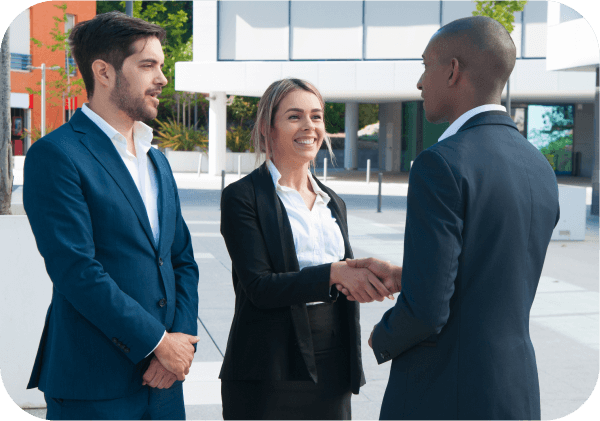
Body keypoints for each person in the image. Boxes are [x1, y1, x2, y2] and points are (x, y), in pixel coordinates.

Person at [340, 16, 560, 420]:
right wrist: (408, 274)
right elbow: (494, 273)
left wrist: (383, 336)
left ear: (453, 70)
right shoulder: (539, 166)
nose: (420, 83)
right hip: (515, 390)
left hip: (445, 392)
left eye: (426, 66)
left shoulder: (440, 164)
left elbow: (426, 311)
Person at [23, 11, 199, 420]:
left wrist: (180, 344)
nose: (162, 79)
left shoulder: (158, 161)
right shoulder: (56, 155)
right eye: (147, 65)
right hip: (94, 383)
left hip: (166, 382)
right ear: (103, 71)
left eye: (162, 66)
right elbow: (76, 270)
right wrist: (158, 342)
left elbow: (181, 259)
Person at [219, 78, 394, 420]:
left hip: (331, 364)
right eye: (294, 116)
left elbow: (342, 278)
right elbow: (259, 287)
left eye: (316, 116)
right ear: (268, 129)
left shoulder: (333, 203)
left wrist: (374, 274)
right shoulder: (243, 197)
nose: (309, 126)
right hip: (268, 367)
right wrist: (332, 273)